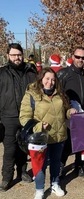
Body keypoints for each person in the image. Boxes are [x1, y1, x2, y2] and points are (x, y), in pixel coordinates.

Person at [19, 67, 76, 199]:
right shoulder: (31, 94)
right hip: (40, 138)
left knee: (56, 162)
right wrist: (39, 126)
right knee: (40, 165)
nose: (50, 82)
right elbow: (24, 117)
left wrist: (70, 112)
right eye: (47, 79)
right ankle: (39, 189)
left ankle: (55, 184)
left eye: (52, 79)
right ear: (41, 79)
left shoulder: (60, 93)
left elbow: (65, 111)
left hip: (58, 136)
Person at [0, 43, 37, 191]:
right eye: (14, 55)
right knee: (9, 149)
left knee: (24, 146)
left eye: (19, 55)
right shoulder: (2, 73)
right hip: (8, 116)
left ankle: (22, 172)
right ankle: (6, 177)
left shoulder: (30, 72)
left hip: (27, 116)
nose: (17, 57)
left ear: (23, 55)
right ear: (8, 56)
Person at [57, 46, 84, 177]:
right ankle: (60, 166)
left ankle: (79, 166)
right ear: (73, 57)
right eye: (78, 57)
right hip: (70, 115)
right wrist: (68, 108)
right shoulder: (64, 74)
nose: (80, 60)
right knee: (68, 143)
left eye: (83, 57)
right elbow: (58, 94)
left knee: (82, 142)